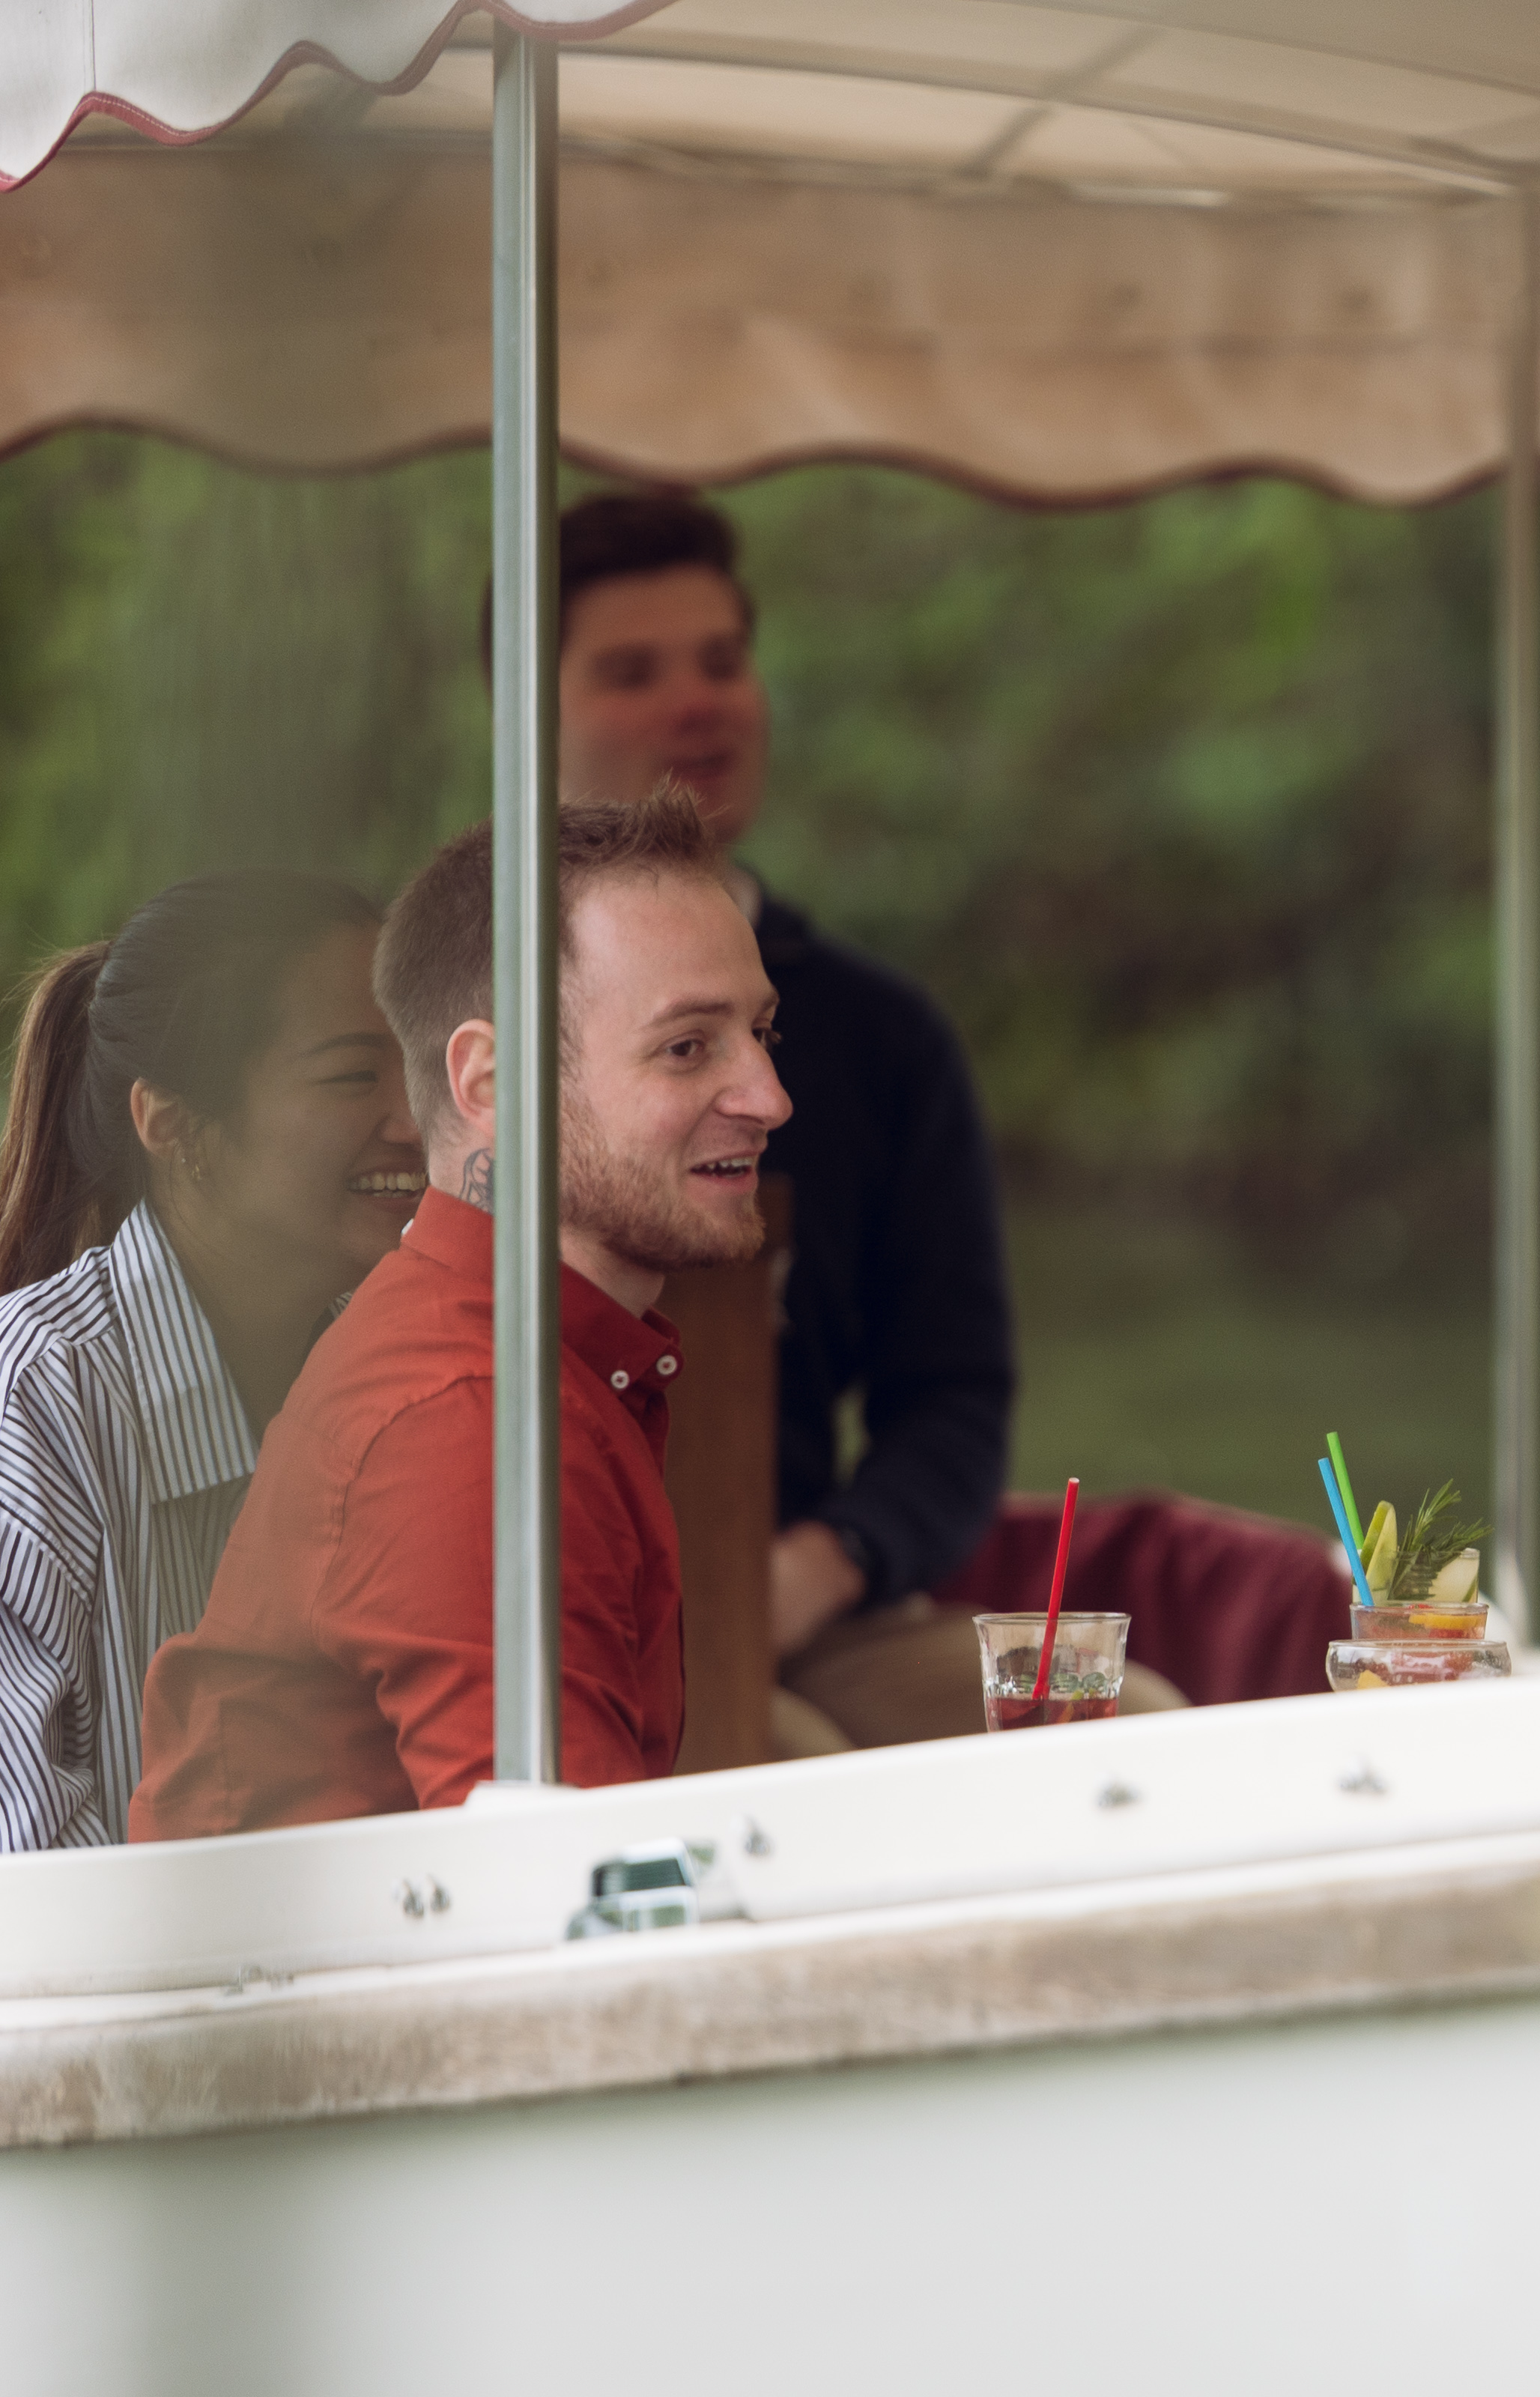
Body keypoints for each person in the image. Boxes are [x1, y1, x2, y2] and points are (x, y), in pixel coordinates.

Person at [133, 793, 787, 1834]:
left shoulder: (502, 1351)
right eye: (686, 1048)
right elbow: (566, 1900)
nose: (768, 1095)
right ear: (492, 1083)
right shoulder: (471, 1417)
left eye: (759, 1032)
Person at [539, 488, 1013, 1750]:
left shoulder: (884, 1036)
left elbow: (954, 1396)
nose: (695, 702)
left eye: (722, 662)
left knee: (1119, 1735)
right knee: (780, 1786)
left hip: (801, 1608)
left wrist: (829, 1557)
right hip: (531, 1615)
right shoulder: (449, 1018)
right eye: (633, 671)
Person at [0, 876, 419, 1848]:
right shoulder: (33, 1404)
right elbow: (24, 1882)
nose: (415, 1116)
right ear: (177, 1127)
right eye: (354, 1075)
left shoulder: (406, 1375)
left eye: (416, 1062)